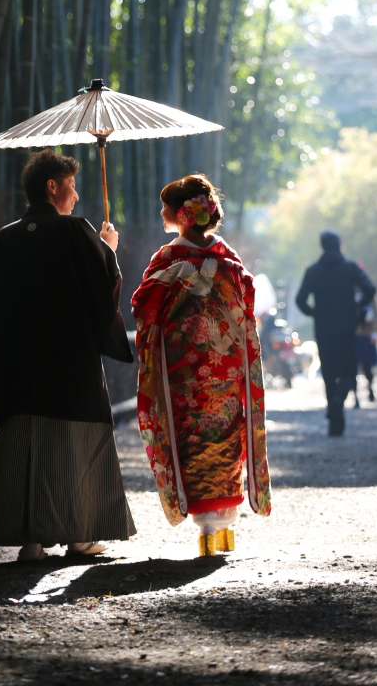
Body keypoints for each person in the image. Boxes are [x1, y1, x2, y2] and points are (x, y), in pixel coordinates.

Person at [0, 149, 135, 562]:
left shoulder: (5, 238)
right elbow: (102, 289)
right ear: (52, 187)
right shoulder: (76, 231)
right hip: (69, 362)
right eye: (73, 187)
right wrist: (109, 249)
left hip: (17, 366)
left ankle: (31, 542)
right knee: (75, 443)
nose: (77, 197)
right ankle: (79, 537)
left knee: (25, 443)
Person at [131, 174, 271, 557]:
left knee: (191, 439)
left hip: (186, 373)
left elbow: (143, 306)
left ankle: (207, 530)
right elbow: (246, 301)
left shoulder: (169, 260)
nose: (161, 213)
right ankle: (225, 524)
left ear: (183, 216)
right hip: (225, 367)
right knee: (227, 434)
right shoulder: (227, 258)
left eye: (166, 208)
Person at [295, 232, 377, 435]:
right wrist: (357, 308)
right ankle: (340, 398)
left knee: (329, 374)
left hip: (324, 330)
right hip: (348, 329)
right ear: (339, 245)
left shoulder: (313, 271)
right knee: (349, 372)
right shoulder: (350, 268)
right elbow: (370, 289)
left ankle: (334, 421)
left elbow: (300, 300)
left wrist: (315, 313)